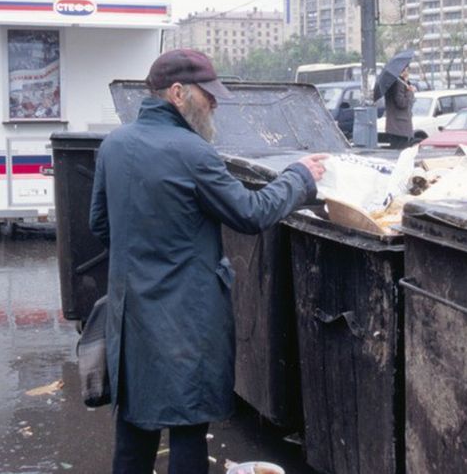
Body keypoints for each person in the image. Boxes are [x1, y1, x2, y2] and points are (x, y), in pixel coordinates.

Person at [89, 49, 326, 474]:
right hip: (186, 322)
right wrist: (299, 178)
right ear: (178, 93)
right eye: (208, 94)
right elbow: (251, 213)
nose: (214, 103)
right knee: (188, 429)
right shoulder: (193, 152)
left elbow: (100, 225)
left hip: (130, 317)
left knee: (134, 432)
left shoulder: (114, 145)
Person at [384, 65, 415, 149]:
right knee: (400, 152)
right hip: (400, 126)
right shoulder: (399, 83)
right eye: (408, 70)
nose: (408, 72)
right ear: (404, 70)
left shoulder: (398, 82)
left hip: (396, 126)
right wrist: (410, 92)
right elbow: (401, 103)